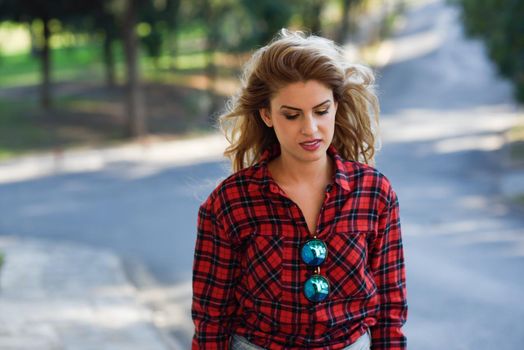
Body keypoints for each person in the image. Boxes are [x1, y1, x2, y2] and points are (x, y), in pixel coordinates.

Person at [191, 29, 407, 350]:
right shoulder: (230, 202)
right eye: (291, 115)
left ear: (336, 106)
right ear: (266, 115)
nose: (310, 128)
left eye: (321, 111)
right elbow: (212, 318)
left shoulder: (375, 193)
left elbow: (390, 308)